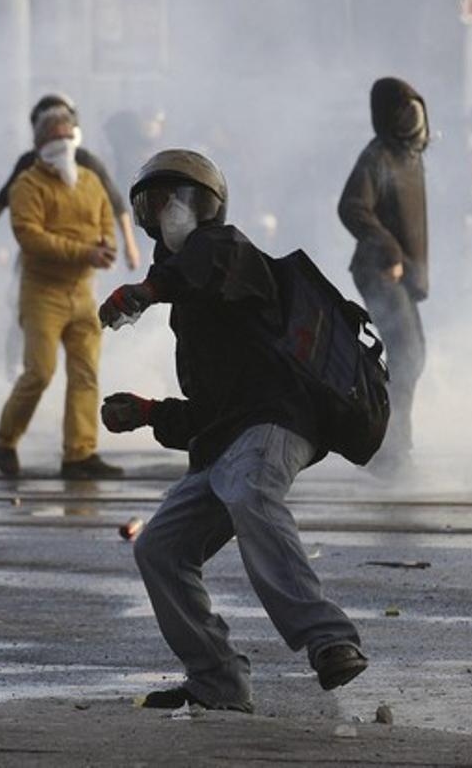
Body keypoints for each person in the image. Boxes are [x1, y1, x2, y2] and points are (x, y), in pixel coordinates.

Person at [97, 149, 367, 713]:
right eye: (153, 202)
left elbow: (204, 262)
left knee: (250, 491)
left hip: (279, 418)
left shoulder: (229, 252)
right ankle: (217, 679)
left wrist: (145, 293)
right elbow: (211, 412)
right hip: (233, 436)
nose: (163, 212)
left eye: (175, 198)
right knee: (160, 547)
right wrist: (148, 412)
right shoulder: (192, 306)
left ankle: (329, 638)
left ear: (207, 205)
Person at [0, 108, 124, 480]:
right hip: (42, 294)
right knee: (40, 372)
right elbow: (31, 238)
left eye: (68, 135)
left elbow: (106, 225)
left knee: (85, 374)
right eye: (55, 136)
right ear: (39, 143)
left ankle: (79, 454)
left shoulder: (90, 182)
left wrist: (106, 247)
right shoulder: (28, 186)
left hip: (84, 292)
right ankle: (6, 438)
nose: (63, 143)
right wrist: (86, 252)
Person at [338, 77, 430, 473]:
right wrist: (389, 250)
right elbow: (352, 207)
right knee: (405, 355)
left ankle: (389, 445)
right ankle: (389, 452)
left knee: (414, 356)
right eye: (405, 111)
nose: (414, 120)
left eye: (417, 110)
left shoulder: (410, 155)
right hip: (380, 272)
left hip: (401, 275)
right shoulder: (378, 156)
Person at [0, 93, 141, 270]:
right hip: (39, 259)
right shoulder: (29, 163)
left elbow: (116, 204)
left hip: (81, 255)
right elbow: (2, 201)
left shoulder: (86, 162)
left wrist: (129, 245)